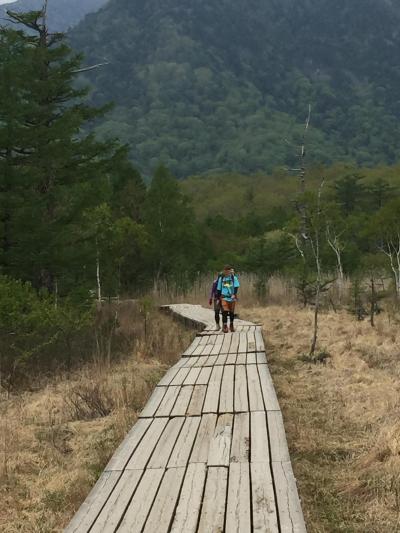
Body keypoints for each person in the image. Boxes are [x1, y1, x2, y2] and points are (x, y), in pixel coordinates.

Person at [217, 265, 240, 333]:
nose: (227, 272)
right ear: (224, 271)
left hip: (231, 297)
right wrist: (218, 298)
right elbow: (219, 289)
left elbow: (236, 287)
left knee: (231, 312)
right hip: (224, 297)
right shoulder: (221, 279)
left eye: (228, 271)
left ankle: (231, 325)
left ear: (230, 271)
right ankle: (224, 326)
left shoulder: (234, 278)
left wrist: (234, 294)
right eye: (225, 271)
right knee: (224, 312)